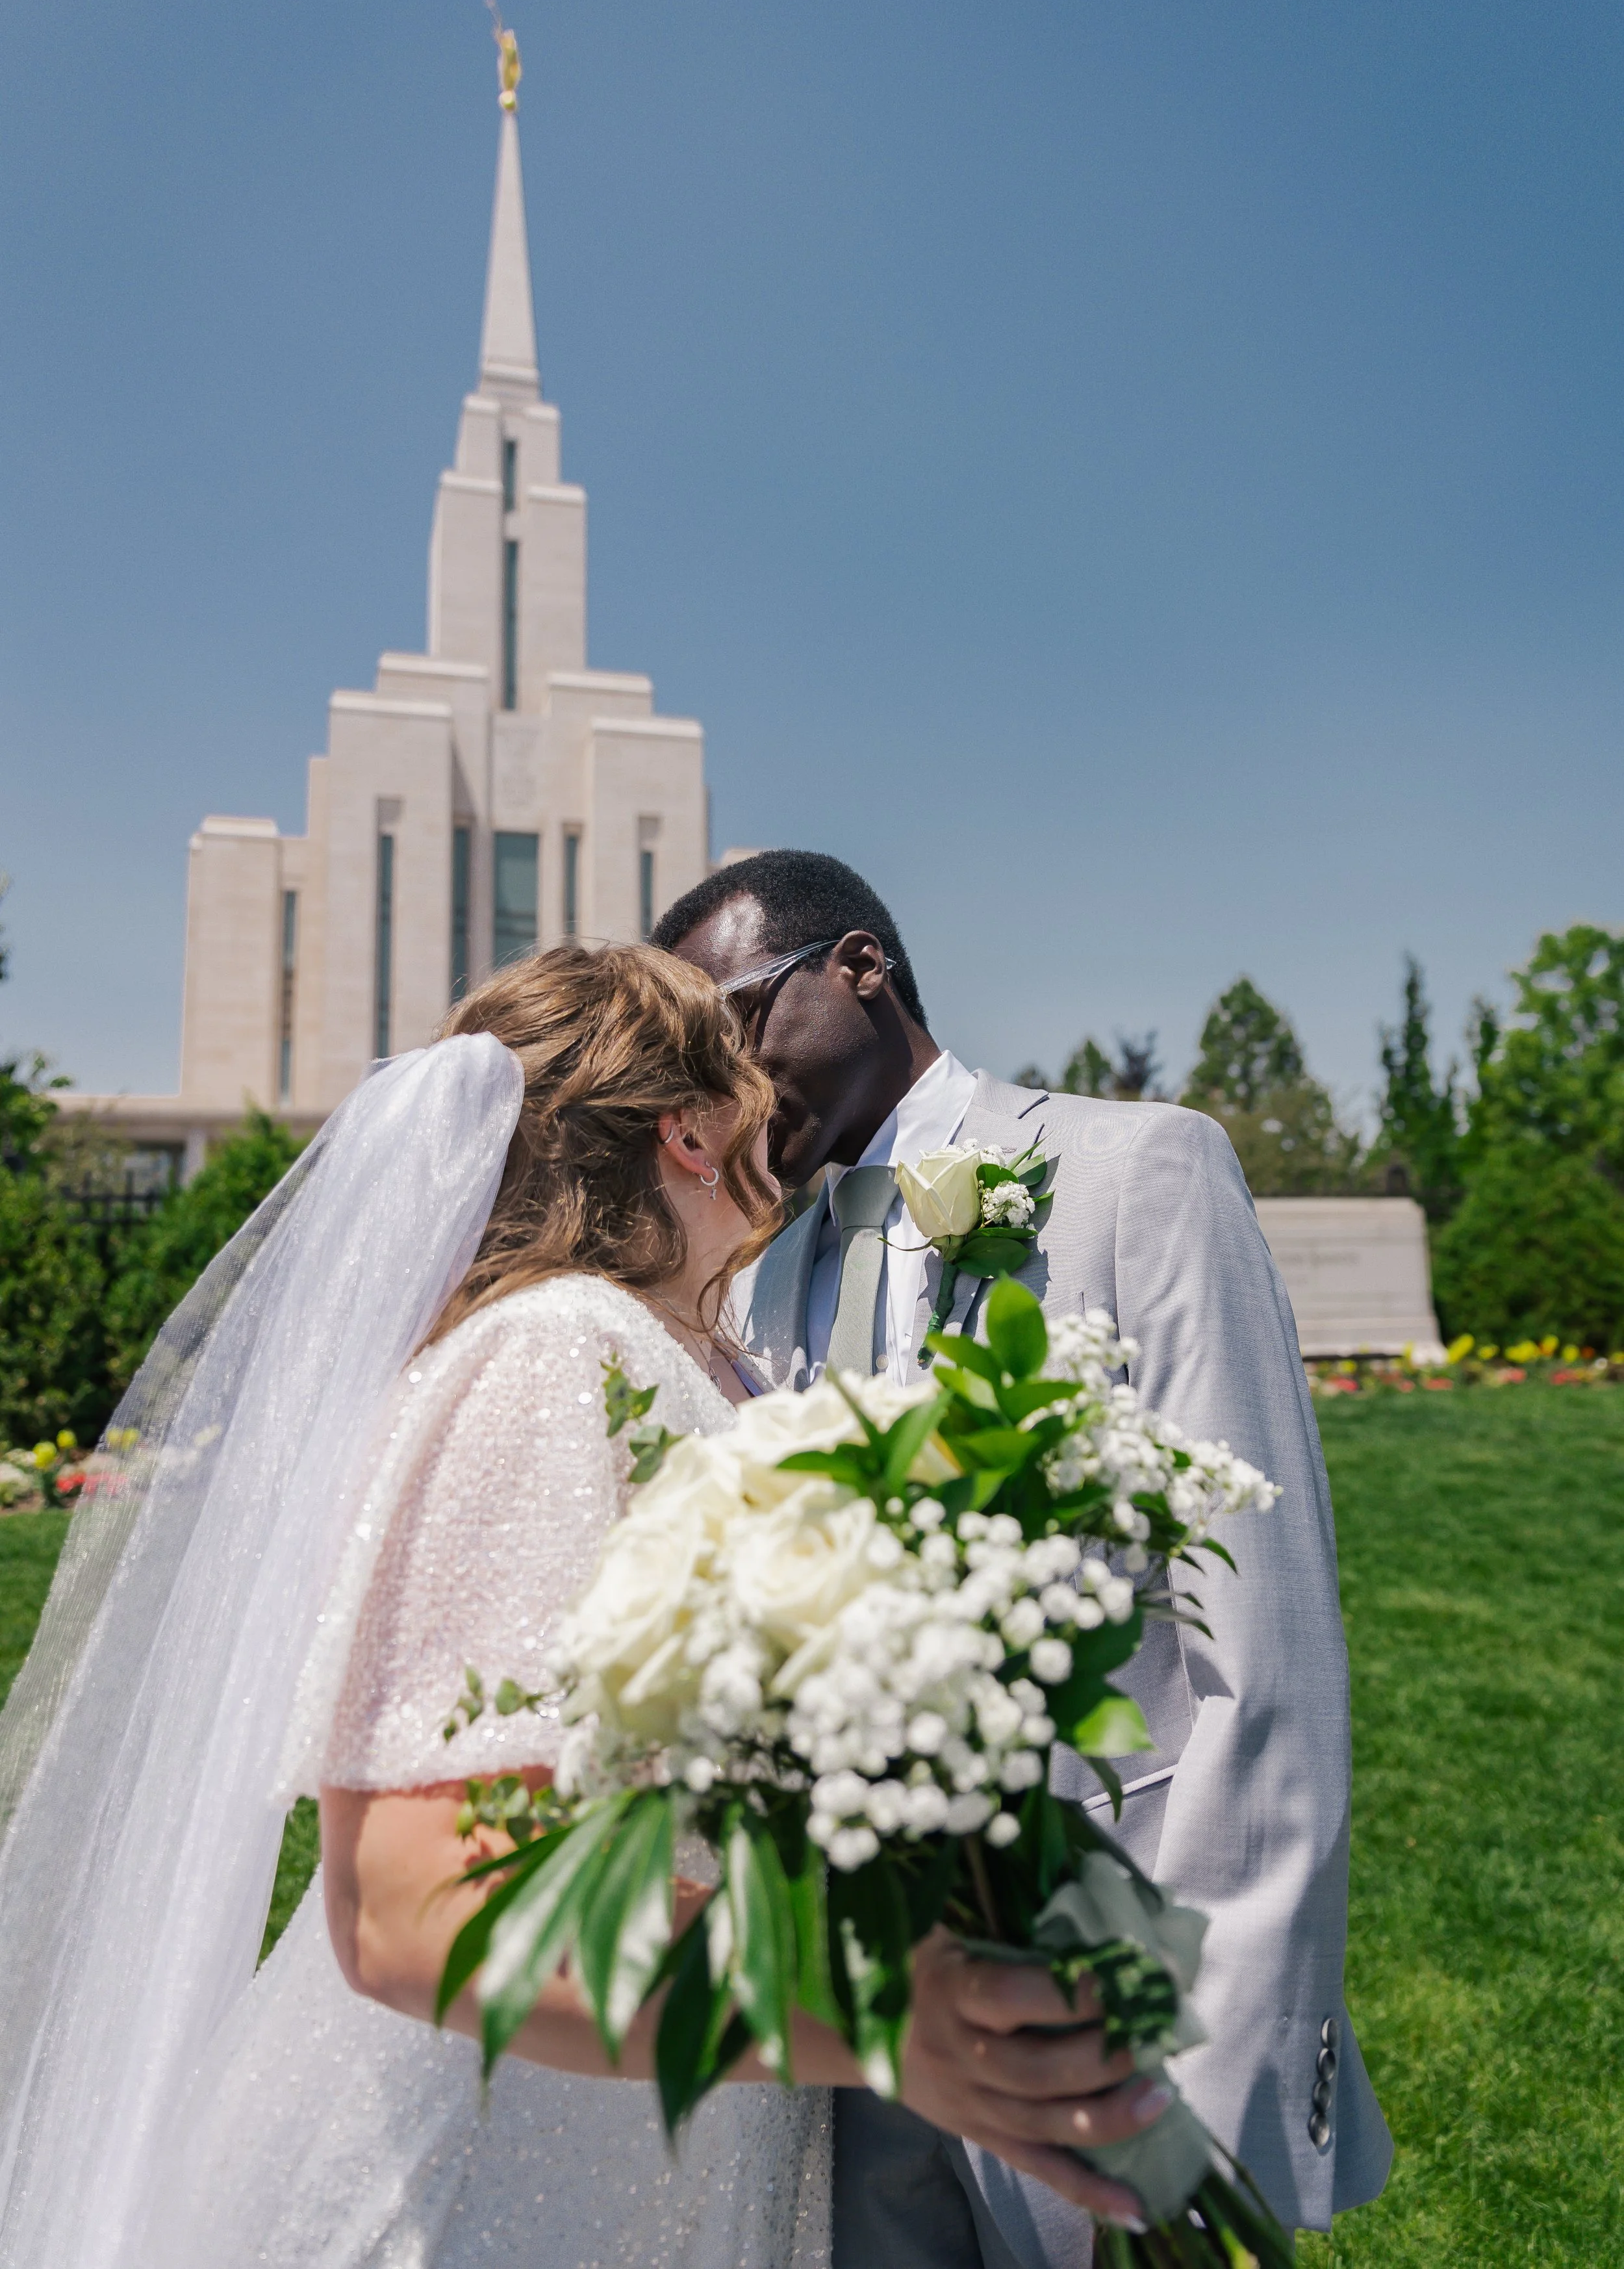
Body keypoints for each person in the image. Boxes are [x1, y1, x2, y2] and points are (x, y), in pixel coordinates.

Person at [0, 942, 1161, 2269]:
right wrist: (885, 2015)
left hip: (646, 2115)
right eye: (740, 1079)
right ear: (685, 1128)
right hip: (493, 2165)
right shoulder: (551, 1349)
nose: (772, 1111)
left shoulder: (694, 1357)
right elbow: (408, 1904)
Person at [653, 852, 1394, 2269]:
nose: (724, 1091)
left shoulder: (1137, 1171)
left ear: (857, 969)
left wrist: (1217, 2064)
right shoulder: (760, 1270)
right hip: (867, 2010)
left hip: (1120, 1957)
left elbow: (1265, 1637)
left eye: (736, 1026)